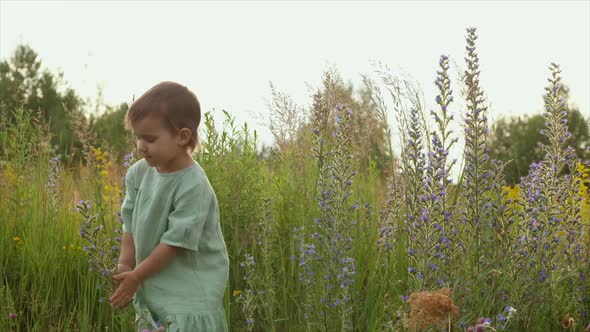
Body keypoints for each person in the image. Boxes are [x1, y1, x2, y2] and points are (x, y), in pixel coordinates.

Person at [110, 81, 229, 331]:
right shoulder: (138, 174)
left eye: (150, 138)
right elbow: (129, 225)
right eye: (138, 137)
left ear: (182, 136)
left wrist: (137, 276)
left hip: (190, 297)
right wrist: (125, 264)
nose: (141, 145)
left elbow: (174, 243)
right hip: (154, 288)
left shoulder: (193, 185)